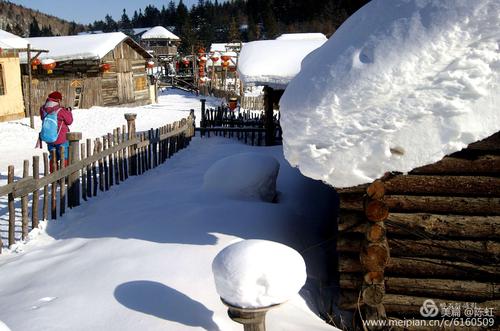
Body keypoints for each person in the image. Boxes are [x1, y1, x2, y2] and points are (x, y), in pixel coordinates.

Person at [39, 91, 73, 172]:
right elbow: (69, 121)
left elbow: (42, 118)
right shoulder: (61, 110)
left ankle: (53, 176)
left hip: (49, 138)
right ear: (58, 100)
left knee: (52, 157)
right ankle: (64, 176)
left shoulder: (43, 109)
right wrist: (68, 112)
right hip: (61, 139)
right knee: (64, 156)